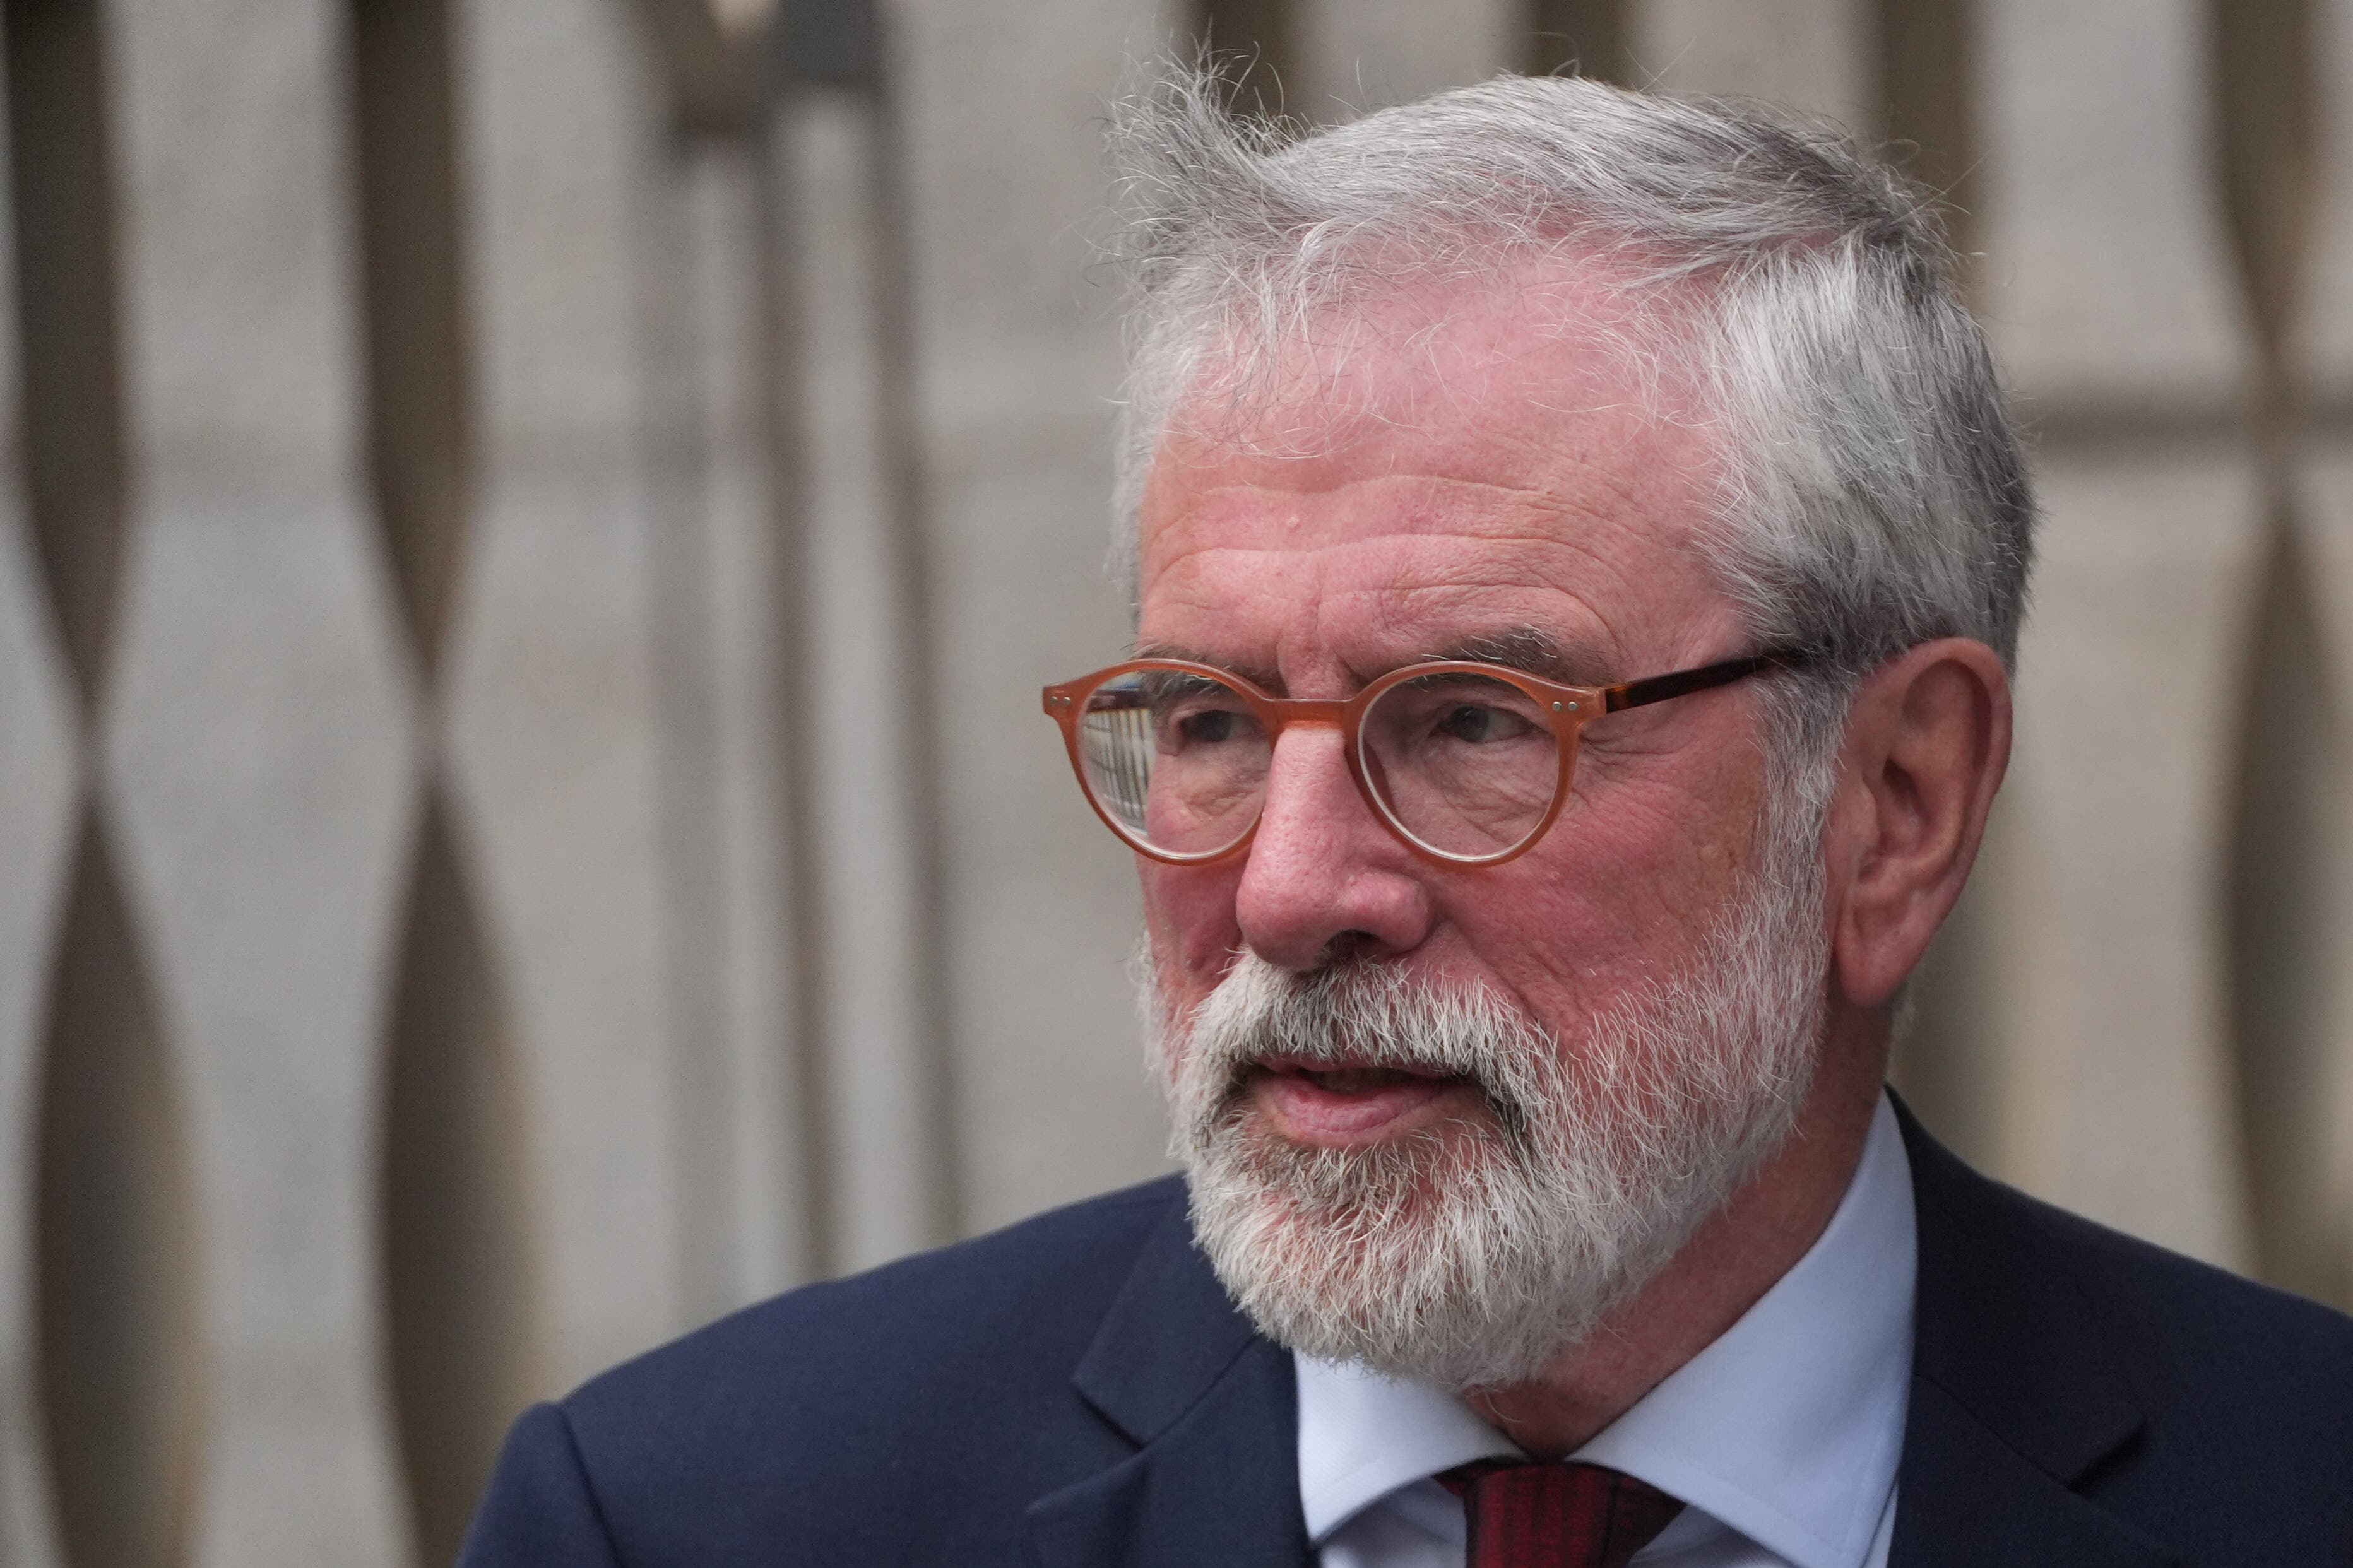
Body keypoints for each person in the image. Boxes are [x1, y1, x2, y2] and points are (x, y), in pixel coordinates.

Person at [458, 70, 2353, 1568]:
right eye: (1207, 717)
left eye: (1465, 725)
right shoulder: (701, 1522)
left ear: (1894, 808)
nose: (1288, 891)